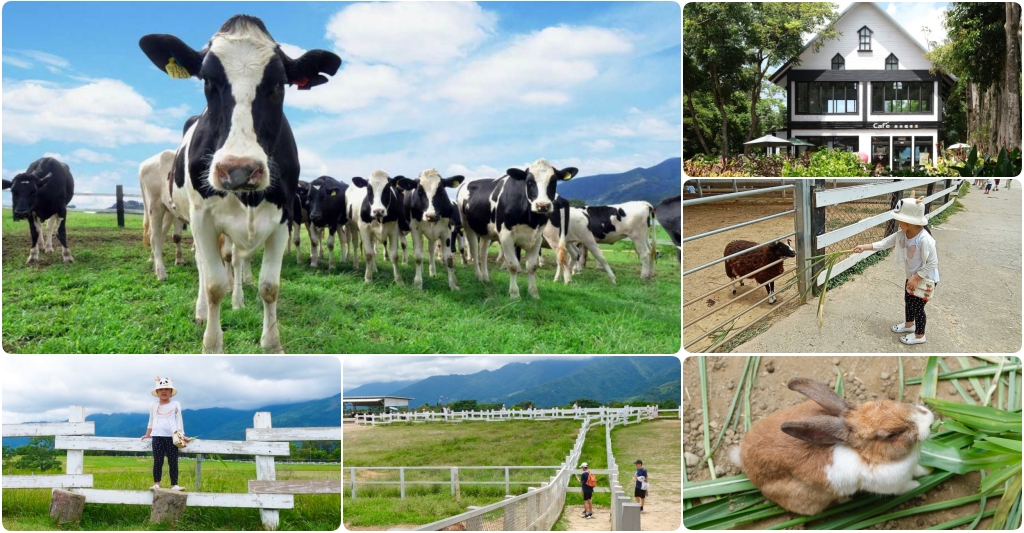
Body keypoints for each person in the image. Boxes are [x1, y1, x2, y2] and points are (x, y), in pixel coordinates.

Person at [853, 197, 939, 345]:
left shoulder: (925, 240)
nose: (898, 223)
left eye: (900, 220)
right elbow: (884, 243)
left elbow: (933, 262)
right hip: (911, 277)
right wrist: (864, 247)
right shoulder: (902, 235)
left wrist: (917, 277)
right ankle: (909, 325)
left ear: (910, 222)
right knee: (908, 301)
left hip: (925, 279)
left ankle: (920, 335)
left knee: (918, 307)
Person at [141, 376, 188, 491]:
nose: (164, 391)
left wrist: (181, 435)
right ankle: (157, 483)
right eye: (161, 389)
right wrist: (148, 434)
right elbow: (151, 420)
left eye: (167, 389)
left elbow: (179, 421)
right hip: (157, 436)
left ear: (171, 392)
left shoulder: (176, 404)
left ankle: (174, 484)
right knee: (158, 461)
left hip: (172, 437)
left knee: (173, 461)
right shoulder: (153, 405)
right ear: (157, 392)